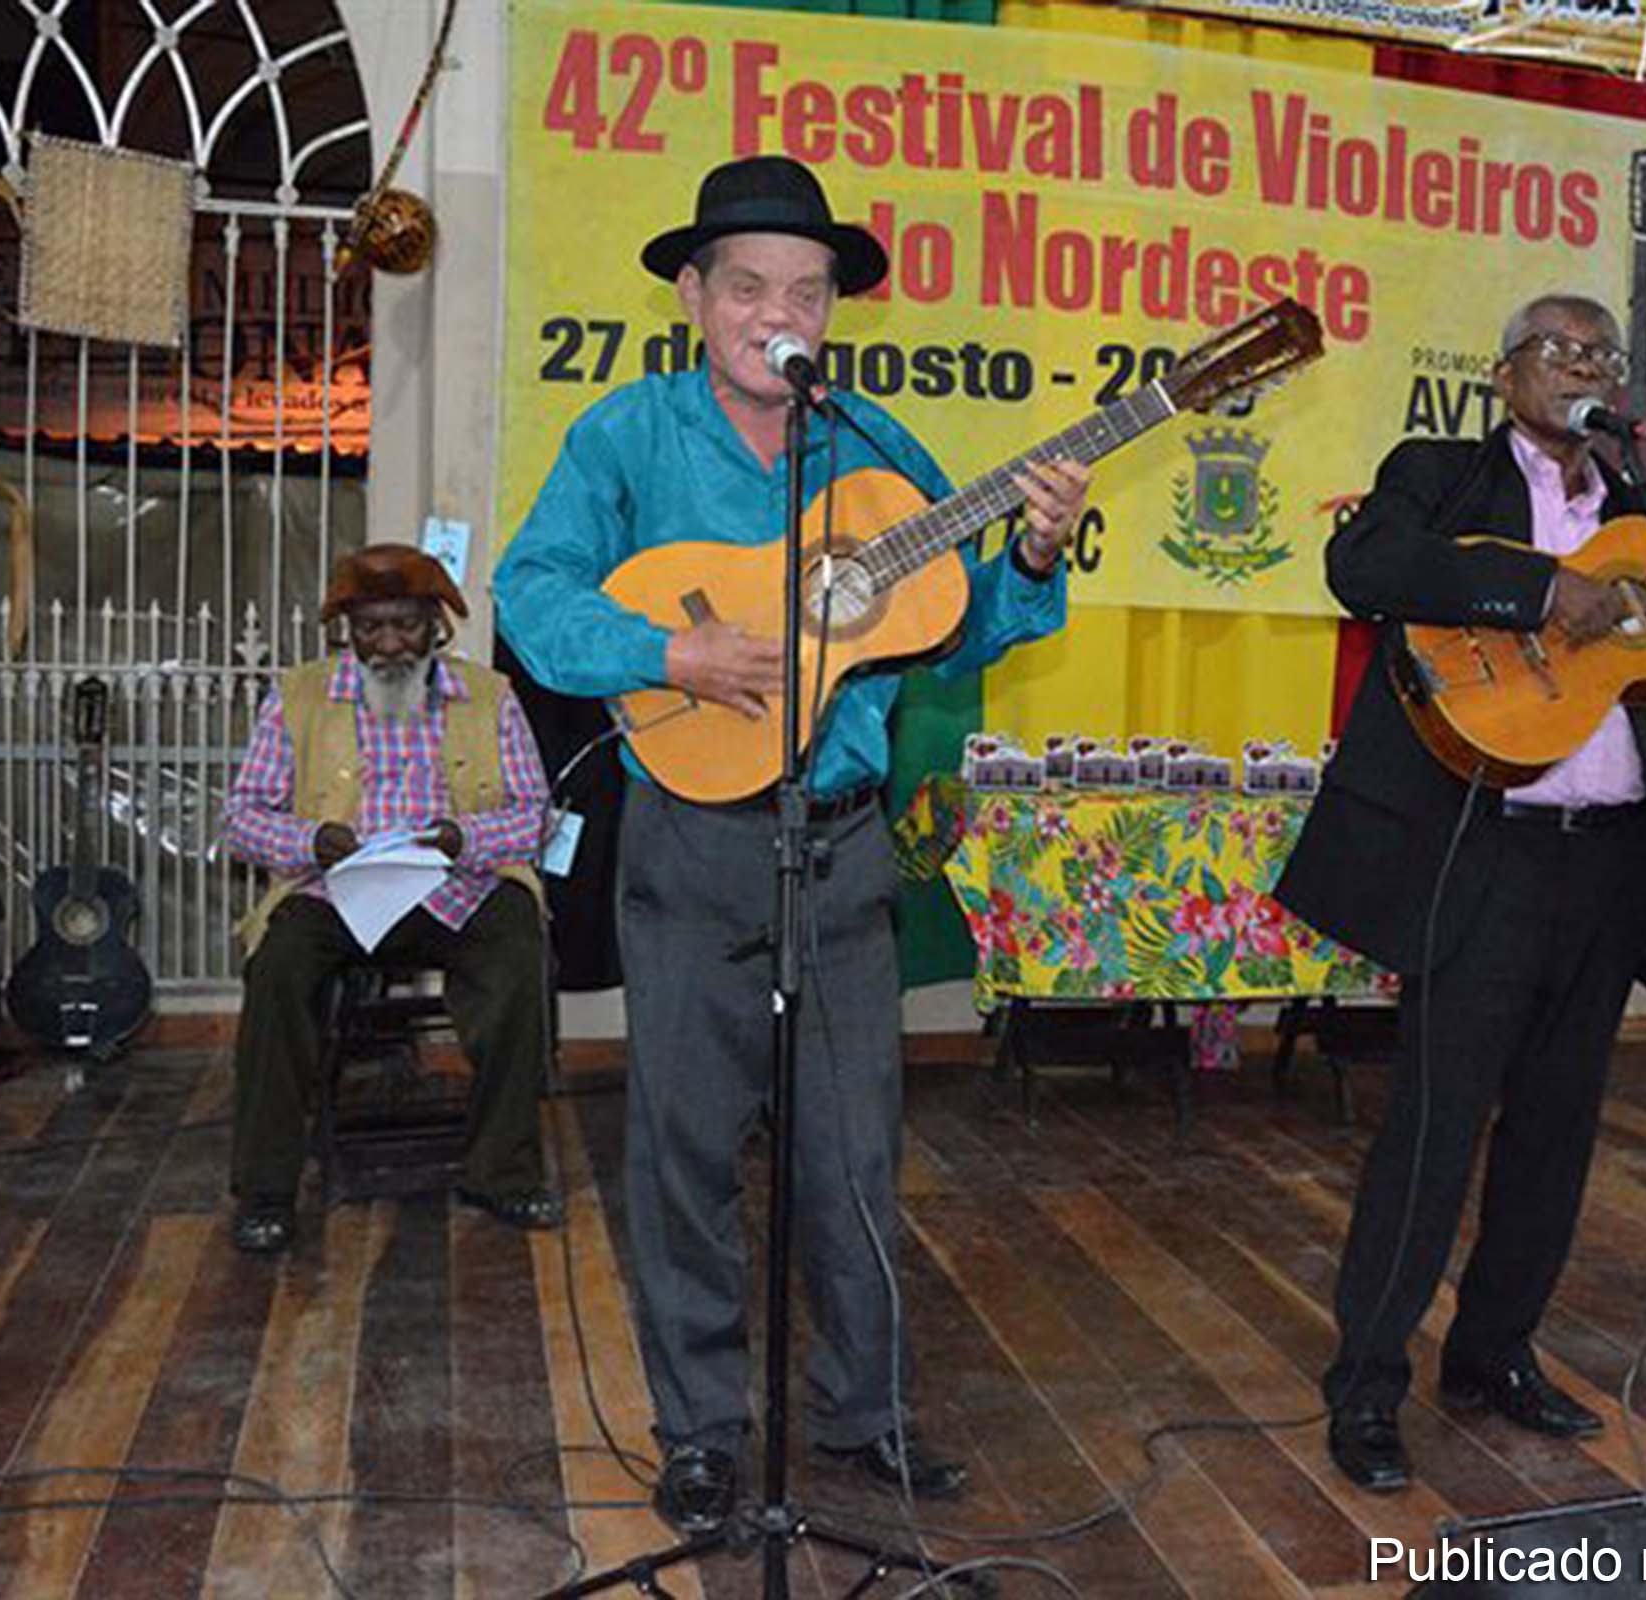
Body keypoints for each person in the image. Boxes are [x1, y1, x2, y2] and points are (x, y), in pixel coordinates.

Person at [494, 155, 1089, 1530]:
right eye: (750, 284)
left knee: (854, 1154)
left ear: (834, 313)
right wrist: (671, 649)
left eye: (808, 291)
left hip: (844, 845)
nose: (782, 311)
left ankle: (863, 1418)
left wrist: (1038, 558)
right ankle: (702, 1429)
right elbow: (530, 598)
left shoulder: (880, 450)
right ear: (696, 297)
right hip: (692, 843)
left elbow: (962, 619)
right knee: (685, 1149)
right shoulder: (626, 437)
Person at [1271, 293, 1646, 1491]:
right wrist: (1537, 596)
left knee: (1557, 1134)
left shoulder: (1643, 518)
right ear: (1505, 370)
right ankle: (1366, 1387)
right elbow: (1361, 564)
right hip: (1487, 854)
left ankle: (1491, 1354)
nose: (1583, 369)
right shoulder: (1441, 473)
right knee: (1433, 1127)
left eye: (1601, 356)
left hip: (1610, 857)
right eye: (1560, 351)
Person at [222, 544, 559, 1256]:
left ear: (437, 626)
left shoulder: (490, 696)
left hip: (457, 882)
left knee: (518, 949)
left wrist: (459, 837)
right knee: (278, 967)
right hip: (335, 887)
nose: (387, 645)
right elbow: (241, 816)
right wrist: (312, 840)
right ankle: (266, 1189)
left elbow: (534, 815)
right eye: (368, 628)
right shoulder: (300, 694)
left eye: (404, 626)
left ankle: (501, 1171)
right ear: (345, 627)